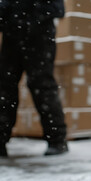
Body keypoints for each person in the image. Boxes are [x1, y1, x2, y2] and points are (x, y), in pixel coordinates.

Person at [0, 0, 68, 157]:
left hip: (40, 37)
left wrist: (32, 19)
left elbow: (57, 8)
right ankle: (0, 139)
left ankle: (57, 140)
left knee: (42, 86)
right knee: (5, 88)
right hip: (12, 37)